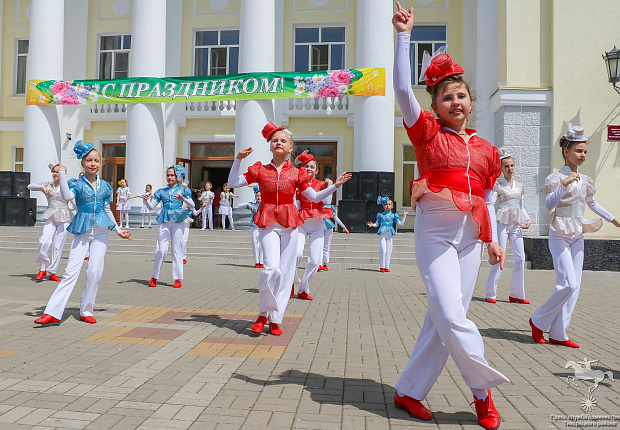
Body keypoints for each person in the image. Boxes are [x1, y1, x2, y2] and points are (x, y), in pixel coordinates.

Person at [391, 3, 508, 429]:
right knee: (452, 314)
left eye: (461, 94)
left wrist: (492, 238)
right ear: (436, 104)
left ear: (470, 101)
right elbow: (403, 90)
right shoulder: (425, 133)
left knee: (441, 321)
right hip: (435, 235)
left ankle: (408, 391)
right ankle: (483, 392)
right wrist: (404, 35)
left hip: (471, 241)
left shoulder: (486, 150)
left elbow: (487, 198)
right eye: (446, 96)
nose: (455, 101)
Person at [227, 122, 351, 336]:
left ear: (291, 148)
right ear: (270, 145)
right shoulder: (260, 169)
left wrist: (335, 186)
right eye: (275, 140)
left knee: (285, 275)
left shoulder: (296, 173)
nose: (278, 142)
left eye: (283, 140)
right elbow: (233, 182)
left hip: (290, 226)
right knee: (271, 269)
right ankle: (263, 313)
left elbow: (313, 196)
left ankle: (275, 319)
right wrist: (238, 158)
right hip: (268, 223)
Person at [529, 124, 620, 348]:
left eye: (585, 152)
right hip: (559, 233)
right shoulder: (554, 178)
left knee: (576, 285)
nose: (583, 155)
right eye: (579, 151)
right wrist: (563, 185)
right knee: (567, 283)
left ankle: (559, 332)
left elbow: (592, 204)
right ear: (566, 152)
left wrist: (613, 219)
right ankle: (538, 320)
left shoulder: (586, 180)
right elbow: (549, 205)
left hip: (578, 233)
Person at [34, 141, 131, 324]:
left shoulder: (105, 186)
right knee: (71, 271)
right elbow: (68, 196)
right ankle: (53, 312)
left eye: (96, 160)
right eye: (89, 160)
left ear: (101, 163)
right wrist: (61, 173)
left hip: (101, 231)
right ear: (83, 163)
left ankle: (86, 311)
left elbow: (106, 209)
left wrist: (118, 230)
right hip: (82, 230)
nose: (93, 164)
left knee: (95, 272)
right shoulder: (76, 183)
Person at [485, 149, 531, 304]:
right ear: (502, 168)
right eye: (506, 166)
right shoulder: (498, 185)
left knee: (520, 257)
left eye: (512, 166)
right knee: (499, 256)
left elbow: (521, 206)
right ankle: (491, 292)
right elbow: (490, 203)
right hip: (502, 224)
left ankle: (517, 294)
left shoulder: (520, 186)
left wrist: (528, 219)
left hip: (516, 224)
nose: (510, 168)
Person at [292, 151, 334, 300]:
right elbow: (296, 206)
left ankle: (303, 288)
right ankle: (291, 282)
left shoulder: (322, 184)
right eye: (306, 167)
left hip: (317, 226)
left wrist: (330, 184)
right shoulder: (298, 186)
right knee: (296, 254)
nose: (309, 169)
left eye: (312, 167)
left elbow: (328, 202)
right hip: (301, 224)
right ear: (302, 169)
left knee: (315, 260)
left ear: (317, 171)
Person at [146, 165, 195, 288]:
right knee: (161, 250)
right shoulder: (162, 191)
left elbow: (193, 205)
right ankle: (154, 276)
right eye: (168, 175)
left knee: (176, 250)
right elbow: (151, 207)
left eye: (172, 175)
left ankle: (177, 278)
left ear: (177, 177)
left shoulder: (183, 190)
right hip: (165, 221)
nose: (169, 177)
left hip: (178, 221)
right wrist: (145, 200)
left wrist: (184, 199)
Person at [28, 161, 75, 282]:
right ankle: (42, 268)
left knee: (57, 246)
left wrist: (69, 209)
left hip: (64, 218)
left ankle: (52, 272)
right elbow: (30, 186)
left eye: (58, 172)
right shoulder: (47, 184)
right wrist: (41, 187)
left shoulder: (68, 186)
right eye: (54, 172)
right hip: (50, 215)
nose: (55, 174)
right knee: (44, 240)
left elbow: (74, 204)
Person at [366, 196, 409, 272]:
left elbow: (401, 224)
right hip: (383, 233)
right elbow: (377, 224)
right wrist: (372, 225)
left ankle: (387, 267)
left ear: (392, 206)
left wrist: (404, 215)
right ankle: (382, 266)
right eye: (386, 204)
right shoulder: (380, 215)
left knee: (389, 250)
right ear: (383, 206)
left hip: (389, 234)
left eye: (389, 204)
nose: (387, 206)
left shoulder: (393, 215)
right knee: (383, 249)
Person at [319, 179, 350, 271]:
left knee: (327, 245)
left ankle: (325, 263)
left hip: (328, 226)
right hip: (319, 226)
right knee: (320, 245)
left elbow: (336, 218)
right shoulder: (318, 205)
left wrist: (343, 227)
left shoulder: (331, 207)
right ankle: (319, 263)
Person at [238, 185, 264, 268]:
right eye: (257, 196)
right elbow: (240, 206)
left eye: (260, 196)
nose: (259, 197)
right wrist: (247, 204)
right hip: (254, 226)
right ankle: (257, 262)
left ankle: (262, 262)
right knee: (255, 244)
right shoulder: (253, 205)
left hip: (264, 227)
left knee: (263, 244)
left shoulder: (266, 205)